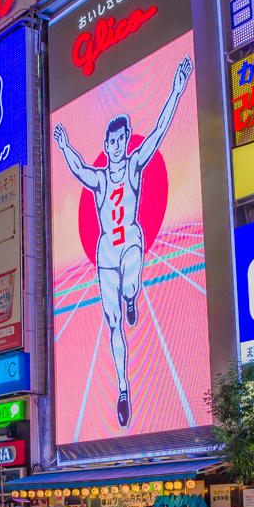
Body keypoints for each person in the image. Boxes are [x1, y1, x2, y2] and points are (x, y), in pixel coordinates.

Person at [53, 56, 193, 427]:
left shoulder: (133, 166)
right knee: (114, 324)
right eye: (112, 141)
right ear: (106, 143)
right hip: (105, 254)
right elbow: (79, 168)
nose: (117, 145)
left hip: (130, 241)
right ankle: (123, 388)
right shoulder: (99, 179)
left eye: (121, 140)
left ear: (125, 141)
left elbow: (161, 132)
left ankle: (132, 295)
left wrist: (177, 90)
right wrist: (65, 146)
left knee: (131, 277)